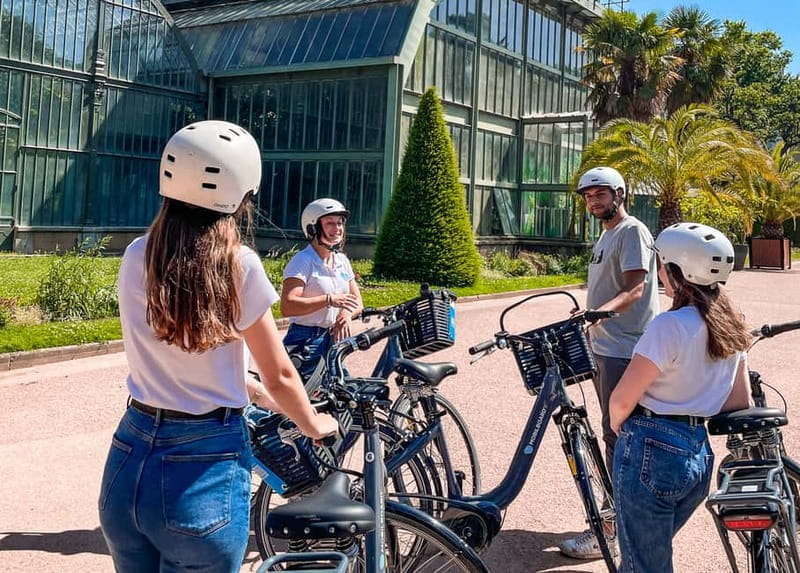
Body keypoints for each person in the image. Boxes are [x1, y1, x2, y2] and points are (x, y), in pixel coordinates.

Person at [98, 120, 338, 573]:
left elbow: (177, 357)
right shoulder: (238, 265)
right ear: (242, 195)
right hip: (202, 463)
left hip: (129, 458)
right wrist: (313, 424)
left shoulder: (137, 254)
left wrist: (245, 386)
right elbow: (282, 374)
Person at [609, 222, 752, 572]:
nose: (659, 271)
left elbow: (622, 400)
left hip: (651, 447)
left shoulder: (668, 326)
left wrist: (618, 426)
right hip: (698, 454)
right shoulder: (731, 326)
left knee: (644, 562)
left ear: (676, 271)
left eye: (661, 264)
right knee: (650, 553)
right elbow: (739, 400)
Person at [559, 166, 660, 559]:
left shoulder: (632, 230)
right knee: (612, 434)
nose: (593, 202)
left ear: (619, 193)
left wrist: (597, 313)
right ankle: (619, 519)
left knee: (620, 437)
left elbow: (637, 288)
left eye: (600, 194)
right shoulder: (607, 235)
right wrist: (591, 319)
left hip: (624, 349)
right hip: (605, 346)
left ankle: (616, 528)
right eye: (587, 197)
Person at [280, 198, 363, 378]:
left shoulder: (341, 261)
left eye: (340, 223)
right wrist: (329, 300)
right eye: (330, 223)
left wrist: (346, 314)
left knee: (341, 397)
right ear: (313, 228)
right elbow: (288, 306)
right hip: (305, 339)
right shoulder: (302, 261)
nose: (337, 228)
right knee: (300, 399)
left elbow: (357, 301)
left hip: (334, 339)